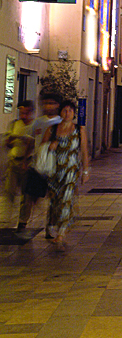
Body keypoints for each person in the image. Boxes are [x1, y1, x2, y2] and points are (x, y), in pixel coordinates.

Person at [42, 100, 89, 250]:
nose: (67, 113)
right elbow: (42, 148)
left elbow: (84, 151)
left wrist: (85, 170)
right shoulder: (52, 129)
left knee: (67, 200)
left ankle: (61, 233)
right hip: (54, 171)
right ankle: (51, 225)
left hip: (70, 171)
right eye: (64, 110)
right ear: (60, 112)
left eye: (70, 110)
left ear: (74, 113)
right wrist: (50, 146)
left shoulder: (79, 130)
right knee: (54, 201)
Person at [28, 93, 62, 238]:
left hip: (55, 167)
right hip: (38, 166)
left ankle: (50, 226)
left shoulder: (61, 122)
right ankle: (26, 224)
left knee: (54, 199)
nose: (49, 106)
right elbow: (31, 142)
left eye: (52, 103)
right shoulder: (37, 122)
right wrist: (26, 160)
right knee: (32, 197)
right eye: (46, 103)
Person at [3, 101, 35, 231]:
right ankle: (6, 218)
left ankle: (22, 221)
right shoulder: (14, 124)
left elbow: (34, 144)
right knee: (9, 191)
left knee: (26, 195)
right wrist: (10, 140)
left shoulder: (34, 126)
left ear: (31, 112)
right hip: (13, 162)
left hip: (27, 163)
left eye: (26, 112)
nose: (24, 115)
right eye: (22, 112)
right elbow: (8, 144)